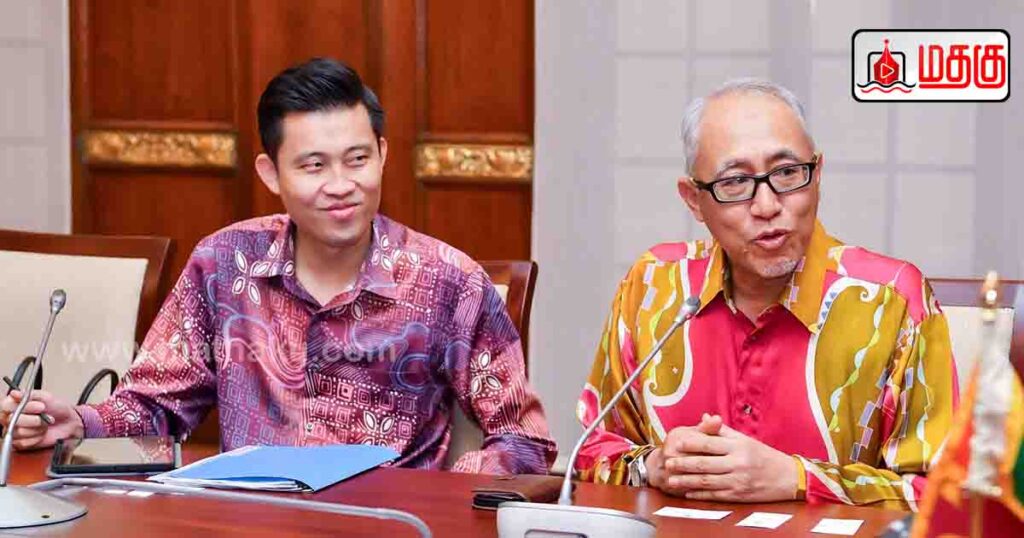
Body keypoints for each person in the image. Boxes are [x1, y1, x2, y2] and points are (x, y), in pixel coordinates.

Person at [0, 58, 556, 475]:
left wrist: (450, 490)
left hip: (389, 524)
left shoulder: (448, 281)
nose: (341, 185)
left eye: (358, 159)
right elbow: (155, 408)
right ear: (271, 174)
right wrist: (81, 422)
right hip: (250, 521)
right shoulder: (224, 264)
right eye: (314, 166)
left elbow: (526, 440)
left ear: (383, 155)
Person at [574, 79, 957, 509]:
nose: (767, 206)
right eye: (735, 182)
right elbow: (589, 453)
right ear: (694, 200)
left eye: (788, 174)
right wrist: (653, 466)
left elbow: (943, 497)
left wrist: (796, 479)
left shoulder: (891, 300)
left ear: (817, 174)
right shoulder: (654, 287)